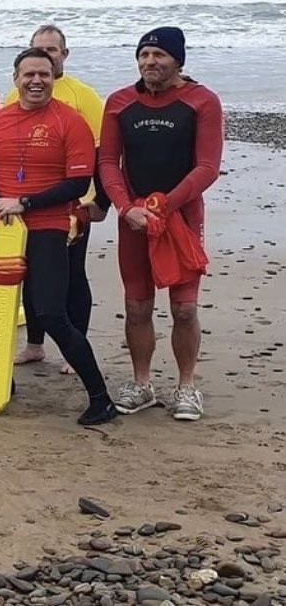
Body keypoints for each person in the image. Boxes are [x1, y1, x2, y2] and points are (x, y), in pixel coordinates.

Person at [0, 47, 118, 425]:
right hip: (0, 226)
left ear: (54, 77)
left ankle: (101, 398)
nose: (36, 80)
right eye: (28, 74)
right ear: (15, 79)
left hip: (47, 226)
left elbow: (78, 182)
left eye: (44, 74)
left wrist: (25, 201)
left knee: (50, 312)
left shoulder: (71, 121)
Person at [99, 27, 223, 421]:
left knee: (184, 309)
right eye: (144, 55)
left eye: (159, 55)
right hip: (134, 219)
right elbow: (107, 163)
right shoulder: (120, 102)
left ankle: (187, 386)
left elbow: (207, 167)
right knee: (137, 306)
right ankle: (142, 383)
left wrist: (166, 205)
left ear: (178, 60)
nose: (150, 62)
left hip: (181, 217)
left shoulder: (202, 100)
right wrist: (125, 207)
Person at [6, 25, 107, 375]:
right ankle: (35, 344)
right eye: (38, 49)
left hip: (73, 204)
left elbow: (100, 151)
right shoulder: (14, 93)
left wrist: (99, 201)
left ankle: (73, 346)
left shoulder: (84, 95)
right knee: (30, 275)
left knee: (71, 276)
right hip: (25, 203)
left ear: (65, 54)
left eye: (52, 50)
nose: (46, 55)